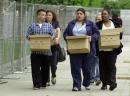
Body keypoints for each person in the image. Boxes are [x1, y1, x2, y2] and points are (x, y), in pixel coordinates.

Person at [63, 8, 99, 91]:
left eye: (81, 14)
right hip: (74, 50)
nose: (79, 15)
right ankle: (76, 85)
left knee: (87, 69)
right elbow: (65, 34)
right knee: (75, 68)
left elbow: (97, 33)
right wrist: (68, 39)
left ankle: (86, 83)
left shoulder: (90, 23)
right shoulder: (71, 24)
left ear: (84, 15)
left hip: (88, 50)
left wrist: (91, 38)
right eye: (77, 13)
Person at [26, 9, 55, 90]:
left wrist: (50, 38)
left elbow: (53, 35)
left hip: (46, 52)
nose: (44, 16)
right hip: (35, 51)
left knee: (45, 68)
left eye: (45, 15)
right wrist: (32, 38)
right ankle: (36, 84)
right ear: (38, 16)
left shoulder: (49, 25)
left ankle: (43, 83)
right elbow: (28, 35)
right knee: (35, 68)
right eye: (42, 14)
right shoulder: (32, 26)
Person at [96, 9, 123, 91]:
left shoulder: (114, 23)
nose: (104, 15)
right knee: (102, 67)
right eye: (102, 14)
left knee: (111, 65)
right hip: (102, 50)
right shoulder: (98, 25)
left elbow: (120, 36)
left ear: (109, 15)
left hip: (113, 49)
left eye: (105, 14)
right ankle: (104, 83)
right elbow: (95, 35)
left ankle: (112, 82)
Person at [46, 10, 61, 86]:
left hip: (54, 46)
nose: (48, 16)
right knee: (46, 63)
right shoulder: (44, 24)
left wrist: (57, 38)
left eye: (50, 15)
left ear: (53, 16)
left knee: (53, 63)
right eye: (47, 15)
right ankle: (47, 79)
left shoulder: (55, 23)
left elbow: (58, 30)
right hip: (45, 47)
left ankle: (53, 75)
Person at [90, 14, 102, 86]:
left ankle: (98, 78)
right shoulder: (93, 26)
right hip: (94, 48)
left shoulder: (103, 27)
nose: (97, 21)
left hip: (100, 49)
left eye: (99, 19)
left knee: (98, 64)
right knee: (92, 64)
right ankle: (91, 78)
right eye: (96, 19)